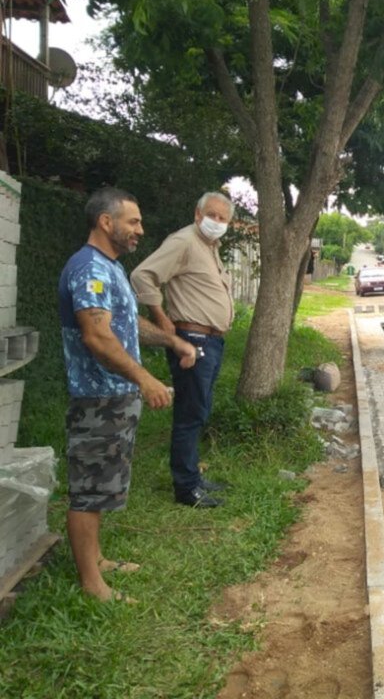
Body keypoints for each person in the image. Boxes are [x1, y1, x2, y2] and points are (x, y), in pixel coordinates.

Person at [59, 187, 197, 602]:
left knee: (102, 485)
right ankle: (92, 584)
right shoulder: (89, 269)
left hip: (113, 398)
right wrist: (145, 379)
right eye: (133, 221)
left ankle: (96, 560)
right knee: (88, 489)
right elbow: (97, 336)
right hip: (96, 399)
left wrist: (172, 342)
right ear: (106, 222)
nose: (140, 229)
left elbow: (127, 322)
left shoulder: (109, 267)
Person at [130, 192, 235, 508]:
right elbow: (142, 276)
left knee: (198, 409)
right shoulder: (184, 241)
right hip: (192, 340)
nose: (216, 222)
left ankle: (193, 477)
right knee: (190, 414)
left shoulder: (209, 247)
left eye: (222, 218)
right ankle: (187, 489)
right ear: (197, 213)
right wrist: (161, 319)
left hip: (211, 341)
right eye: (212, 215)